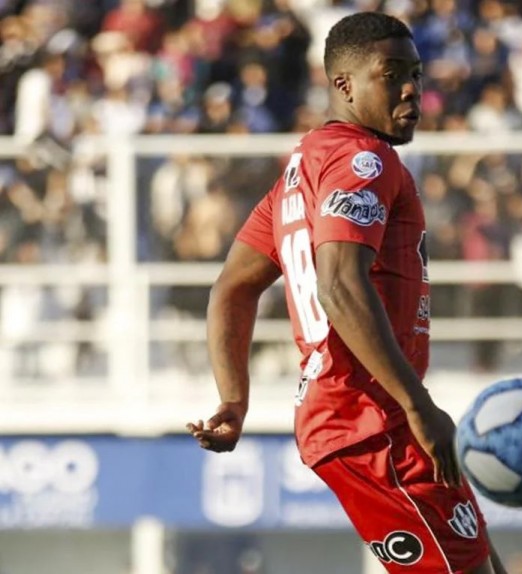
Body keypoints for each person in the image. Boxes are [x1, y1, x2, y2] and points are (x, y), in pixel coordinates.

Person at [186, 13, 505, 574]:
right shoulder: (363, 160)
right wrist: (417, 405)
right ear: (344, 85)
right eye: (392, 74)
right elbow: (337, 284)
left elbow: (232, 287)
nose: (411, 89)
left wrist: (234, 401)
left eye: (416, 73)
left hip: (360, 414)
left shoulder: (304, 169)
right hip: (370, 418)